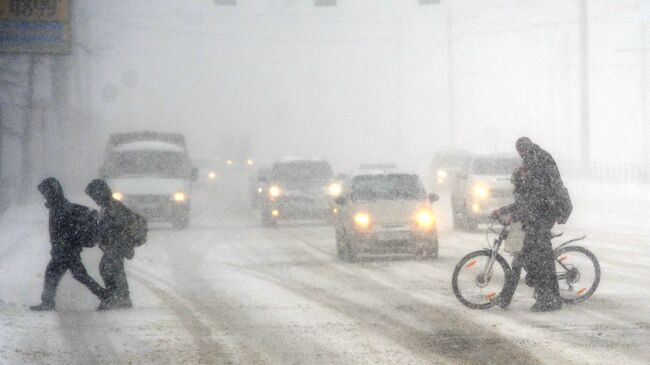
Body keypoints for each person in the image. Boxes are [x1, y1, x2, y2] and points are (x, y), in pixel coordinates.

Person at [493, 137, 566, 312]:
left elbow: (537, 199)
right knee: (524, 258)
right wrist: (505, 210)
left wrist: (516, 214)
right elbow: (525, 201)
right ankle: (506, 298)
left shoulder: (537, 161)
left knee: (539, 260)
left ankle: (549, 299)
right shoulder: (532, 162)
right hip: (538, 216)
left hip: (543, 217)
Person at [30, 178, 109, 311]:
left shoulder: (59, 207)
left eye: (45, 192)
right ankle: (105, 296)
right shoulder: (59, 205)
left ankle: (48, 303)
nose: (43, 195)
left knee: (56, 273)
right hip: (66, 249)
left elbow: (62, 231)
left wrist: (60, 247)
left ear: (51, 192)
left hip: (65, 250)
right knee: (78, 275)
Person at [85, 179, 133, 310]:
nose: (94, 199)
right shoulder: (108, 206)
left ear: (101, 193)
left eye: (95, 196)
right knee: (112, 270)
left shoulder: (113, 206)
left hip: (116, 245)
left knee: (109, 269)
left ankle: (116, 298)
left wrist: (109, 238)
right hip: (113, 246)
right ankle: (121, 298)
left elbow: (118, 226)